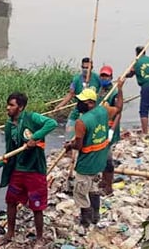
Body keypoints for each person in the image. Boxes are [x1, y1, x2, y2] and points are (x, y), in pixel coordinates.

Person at [0, 92, 57, 246]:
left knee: (37, 206)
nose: (8, 108)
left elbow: (52, 124)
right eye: (8, 105)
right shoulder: (9, 126)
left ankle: (40, 238)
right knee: (11, 201)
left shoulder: (31, 117)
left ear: (20, 107)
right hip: (18, 171)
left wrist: (34, 138)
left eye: (12, 105)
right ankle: (9, 234)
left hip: (34, 170)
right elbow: (9, 153)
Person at [63, 88, 119, 227]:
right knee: (93, 188)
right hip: (99, 161)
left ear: (90, 103)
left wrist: (70, 146)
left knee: (81, 192)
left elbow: (79, 146)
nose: (78, 103)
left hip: (86, 164)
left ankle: (85, 221)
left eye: (81, 101)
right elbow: (119, 107)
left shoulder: (81, 122)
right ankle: (96, 216)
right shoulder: (103, 111)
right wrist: (121, 88)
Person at [56, 57, 101, 138]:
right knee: (69, 132)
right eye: (83, 67)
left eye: (87, 68)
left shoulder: (97, 78)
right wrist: (60, 105)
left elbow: (103, 91)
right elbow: (71, 94)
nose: (85, 70)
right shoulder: (77, 79)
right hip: (79, 110)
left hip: (92, 112)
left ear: (91, 68)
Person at [97, 65, 123, 195]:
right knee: (102, 155)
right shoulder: (100, 89)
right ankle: (103, 180)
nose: (104, 78)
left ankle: (109, 186)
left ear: (111, 77)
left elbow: (119, 112)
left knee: (107, 158)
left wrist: (112, 130)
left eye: (106, 76)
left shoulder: (114, 92)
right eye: (102, 75)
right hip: (100, 127)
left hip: (109, 127)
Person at [125, 46, 149, 134]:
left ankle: (145, 132)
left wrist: (125, 75)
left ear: (136, 53)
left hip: (147, 87)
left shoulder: (136, 62)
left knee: (144, 110)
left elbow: (131, 74)